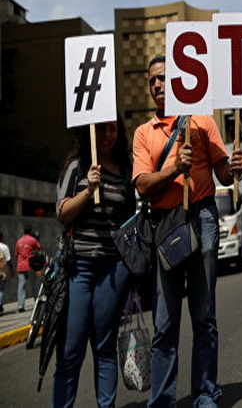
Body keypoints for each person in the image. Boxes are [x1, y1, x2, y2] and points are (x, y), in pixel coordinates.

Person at [133, 55, 242, 407]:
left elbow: (223, 175)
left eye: (163, 78)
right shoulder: (143, 133)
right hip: (165, 226)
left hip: (204, 219)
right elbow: (142, 185)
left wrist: (235, 168)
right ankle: (163, 399)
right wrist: (173, 170)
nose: (157, 86)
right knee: (165, 323)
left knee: (204, 316)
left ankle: (205, 393)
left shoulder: (202, 121)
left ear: (179, 81)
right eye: (152, 80)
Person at [53, 117, 136, 407]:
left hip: (113, 269)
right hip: (79, 269)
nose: (108, 135)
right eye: (102, 128)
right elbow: (63, 213)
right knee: (71, 351)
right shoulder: (76, 167)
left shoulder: (124, 170)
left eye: (113, 129)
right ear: (91, 129)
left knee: (104, 348)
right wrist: (88, 190)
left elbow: (129, 220)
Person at [15, 225, 41, 312]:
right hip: (30, 265)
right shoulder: (32, 240)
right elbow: (39, 248)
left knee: (21, 286)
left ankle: (20, 306)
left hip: (20, 266)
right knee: (34, 285)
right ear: (30, 232)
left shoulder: (18, 241)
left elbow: (16, 254)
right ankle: (37, 303)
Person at [0, 232, 13, 314]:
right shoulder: (4, 247)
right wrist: (5, 272)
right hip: (0, 272)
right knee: (1, 289)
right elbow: (4, 261)